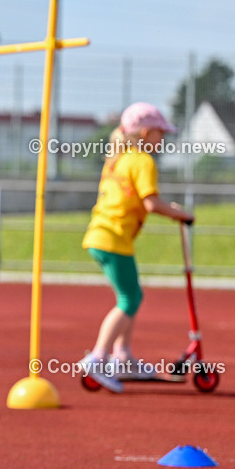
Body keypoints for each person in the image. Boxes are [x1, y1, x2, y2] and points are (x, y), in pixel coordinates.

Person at [79, 102, 194, 393]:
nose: (163, 138)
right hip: (114, 238)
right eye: (160, 132)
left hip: (101, 235)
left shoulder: (118, 158)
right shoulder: (142, 161)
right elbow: (151, 204)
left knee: (130, 296)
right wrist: (182, 214)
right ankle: (99, 357)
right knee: (129, 300)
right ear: (145, 133)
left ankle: (123, 358)